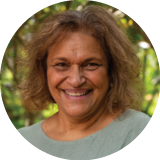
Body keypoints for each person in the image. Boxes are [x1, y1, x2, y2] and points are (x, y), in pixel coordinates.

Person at [17, 5, 151, 160]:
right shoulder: (22, 140)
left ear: (112, 71)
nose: (75, 80)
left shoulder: (139, 132)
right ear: (44, 71)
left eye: (91, 64)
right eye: (61, 65)